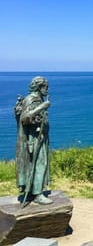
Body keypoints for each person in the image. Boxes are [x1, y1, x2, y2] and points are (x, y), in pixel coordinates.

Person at [15, 76, 53, 205]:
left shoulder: (37, 98)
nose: (47, 90)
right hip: (34, 139)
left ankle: (32, 190)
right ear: (39, 87)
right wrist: (42, 107)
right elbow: (25, 118)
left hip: (39, 137)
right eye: (45, 87)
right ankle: (37, 194)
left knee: (38, 164)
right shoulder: (32, 99)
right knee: (40, 164)